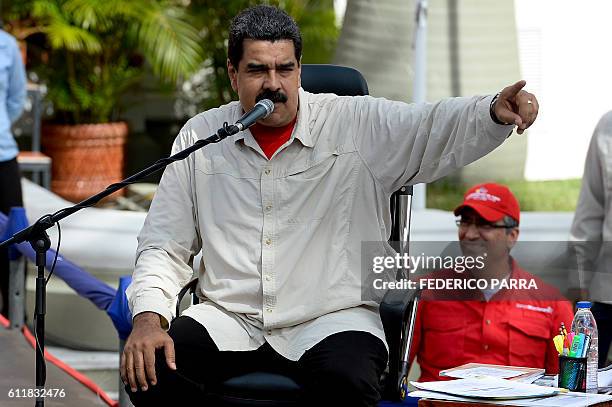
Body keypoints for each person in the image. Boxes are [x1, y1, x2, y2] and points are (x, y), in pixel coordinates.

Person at [122, 5, 539, 406]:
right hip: (229, 319)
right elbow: (164, 244)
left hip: (332, 320)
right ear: (233, 74)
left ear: (299, 69)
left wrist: (491, 113)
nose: (274, 84)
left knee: (349, 381)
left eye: (285, 68)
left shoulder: (355, 123)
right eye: (257, 70)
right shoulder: (203, 137)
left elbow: (430, 125)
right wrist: (148, 318)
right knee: (148, 372)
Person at [409, 183, 574, 382]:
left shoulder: (553, 304)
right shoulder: (423, 292)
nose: (469, 234)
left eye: (484, 224)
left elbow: (566, 388)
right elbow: (390, 380)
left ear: (512, 236)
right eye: (465, 222)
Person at [569, 111, 612, 368]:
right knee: (587, 385)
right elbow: (590, 212)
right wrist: (579, 281)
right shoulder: (608, 127)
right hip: (606, 295)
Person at [0, 27, 27, 317]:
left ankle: (13, 314)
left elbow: (16, 100)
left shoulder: (7, 46)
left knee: (15, 238)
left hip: (3, 156)